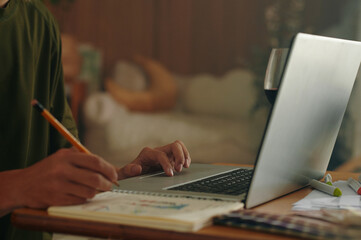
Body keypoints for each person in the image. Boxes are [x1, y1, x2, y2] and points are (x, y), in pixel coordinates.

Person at [0, 0, 191, 239]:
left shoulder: (39, 21)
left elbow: (61, 162)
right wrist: (19, 186)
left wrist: (122, 176)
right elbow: (32, 182)